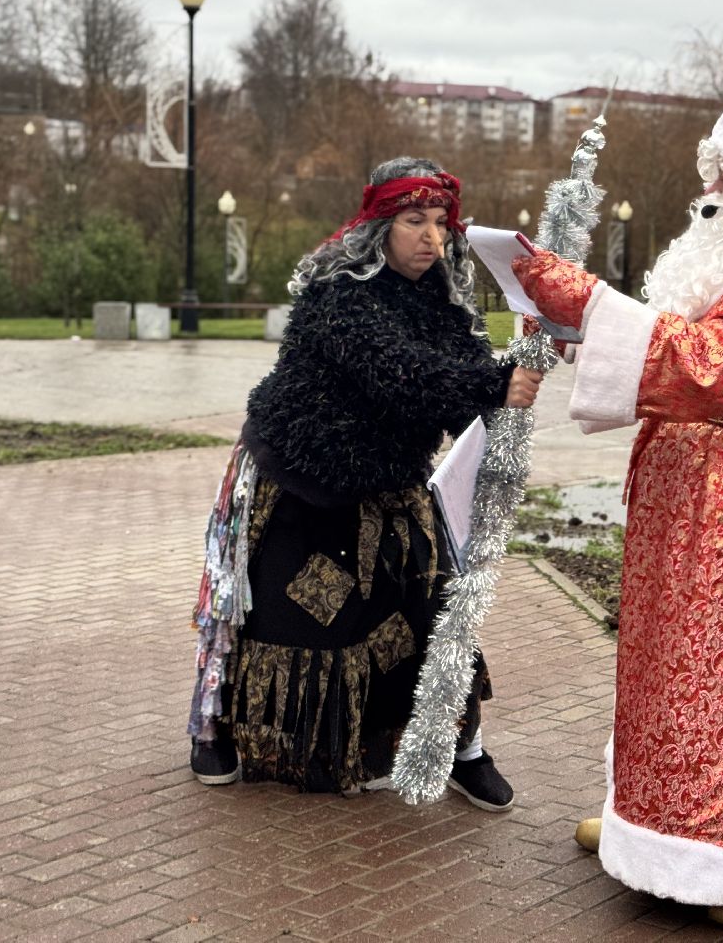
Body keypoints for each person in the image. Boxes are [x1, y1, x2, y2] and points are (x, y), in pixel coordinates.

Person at [511, 69, 723, 929]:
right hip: (701, 506)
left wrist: (586, 301)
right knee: (674, 670)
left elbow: (709, 363)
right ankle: (655, 826)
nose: (712, 189)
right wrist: (574, 323)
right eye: (715, 169)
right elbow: (671, 337)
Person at [187, 157, 541, 811]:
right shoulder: (339, 292)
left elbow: (458, 388)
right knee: (280, 616)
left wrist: (521, 368)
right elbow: (397, 374)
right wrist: (495, 383)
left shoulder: (445, 301)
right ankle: (215, 731)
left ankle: (462, 749)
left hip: (392, 486)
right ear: (379, 224)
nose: (431, 239)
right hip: (303, 484)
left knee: (436, 613)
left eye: (440, 223)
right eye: (413, 221)